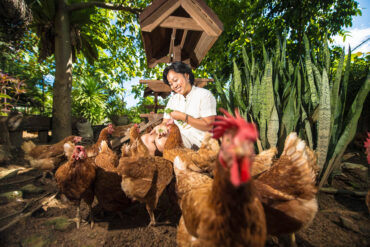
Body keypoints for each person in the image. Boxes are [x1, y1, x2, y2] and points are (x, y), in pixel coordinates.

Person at [141, 61, 217, 155]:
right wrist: (162, 126)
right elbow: (165, 121)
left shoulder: (204, 95)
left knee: (161, 142)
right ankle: (156, 165)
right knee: (145, 139)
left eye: (175, 80)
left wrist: (183, 117)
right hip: (177, 134)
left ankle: (184, 160)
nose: (174, 86)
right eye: (171, 83)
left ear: (186, 76)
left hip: (197, 140)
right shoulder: (174, 99)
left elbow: (209, 125)